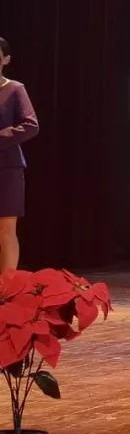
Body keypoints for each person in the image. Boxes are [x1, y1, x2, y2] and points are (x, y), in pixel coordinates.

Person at [0, 38, 40, 272]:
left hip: (7, 167)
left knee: (6, 229)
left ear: (6, 60)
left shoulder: (14, 89)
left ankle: (6, 286)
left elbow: (31, 125)